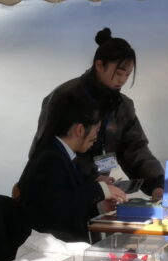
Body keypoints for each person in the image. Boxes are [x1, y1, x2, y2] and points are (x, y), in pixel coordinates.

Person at [30, 28, 164, 198]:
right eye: (118, 73)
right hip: (61, 193)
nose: (122, 80)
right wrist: (91, 176)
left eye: (127, 74)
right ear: (99, 65)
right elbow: (48, 150)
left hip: (99, 193)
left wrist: (156, 184)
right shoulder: (65, 97)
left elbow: (136, 149)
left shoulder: (122, 105)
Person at [18, 90, 127, 242]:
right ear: (80, 130)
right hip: (53, 246)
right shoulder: (50, 159)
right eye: (96, 129)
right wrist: (100, 190)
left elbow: (71, 195)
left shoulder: (60, 153)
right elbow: (59, 207)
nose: (96, 137)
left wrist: (101, 198)